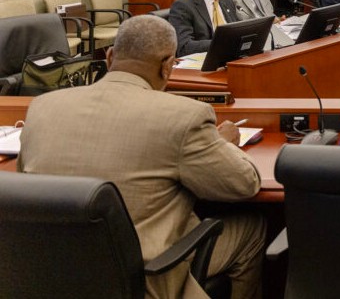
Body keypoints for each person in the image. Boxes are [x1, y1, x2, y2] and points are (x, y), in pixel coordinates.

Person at [18, 15, 265, 299]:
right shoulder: (184, 116)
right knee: (252, 228)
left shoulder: (42, 107)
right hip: (142, 280)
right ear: (167, 65)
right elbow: (244, 183)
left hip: (50, 276)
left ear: (109, 57)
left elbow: (26, 180)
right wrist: (224, 144)